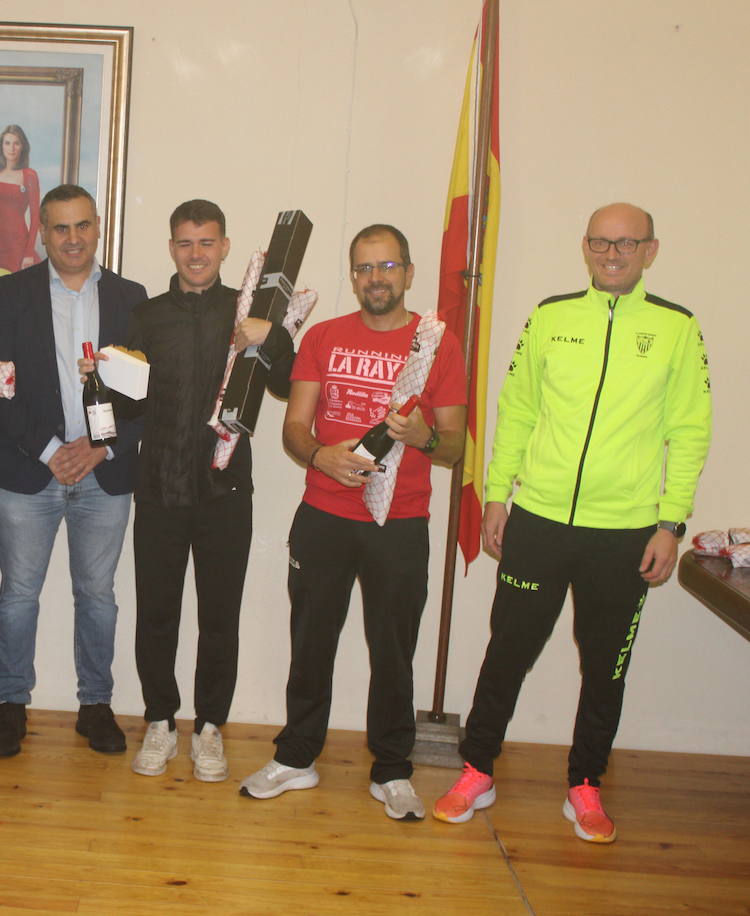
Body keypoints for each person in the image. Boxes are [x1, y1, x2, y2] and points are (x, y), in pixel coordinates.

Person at [434, 203, 712, 843]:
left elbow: (690, 431)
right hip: (540, 520)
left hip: (627, 532)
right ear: (585, 247)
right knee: (507, 651)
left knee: (606, 664)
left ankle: (585, 785)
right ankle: (478, 770)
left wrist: (671, 522)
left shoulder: (676, 328)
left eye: (626, 243)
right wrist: (498, 495)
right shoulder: (552, 317)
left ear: (651, 250)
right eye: (600, 242)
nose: (612, 254)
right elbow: (519, 410)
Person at [239, 224, 466, 820]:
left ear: (409, 273)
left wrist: (424, 436)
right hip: (323, 515)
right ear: (354, 276)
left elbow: (455, 447)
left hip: (400, 520)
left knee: (393, 649)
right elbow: (295, 427)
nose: (376, 278)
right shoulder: (324, 337)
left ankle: (392, 769)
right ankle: (295, 757)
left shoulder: (435, 343)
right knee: (310, 642)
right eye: (364, 268)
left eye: (387, 266)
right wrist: (320, 455)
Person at [123, 200, 296, 781]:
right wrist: (104, 380)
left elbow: (289, 383)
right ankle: (160, 722)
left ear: (224, 247)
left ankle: (211, 728)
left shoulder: (247, 310)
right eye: (184, 243)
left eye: (206, 243)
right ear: (171, 248)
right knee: (157, 616)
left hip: (224, 493)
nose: (195, 254)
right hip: (159, 492)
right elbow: (127, 404)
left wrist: (271, 338)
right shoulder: (146, 316)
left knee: (219, 618)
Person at [0, 184, 147, 758]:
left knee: (98, 595)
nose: (72, 239)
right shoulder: (11, 292)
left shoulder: (131, 297)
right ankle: (10, 706)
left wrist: (101, 448)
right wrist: (51, 449)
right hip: (29, 470)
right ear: (42, 233)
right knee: (19, 594)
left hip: (105, 474)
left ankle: (95, 706)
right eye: (60, 228)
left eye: (82, 226)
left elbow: (145, 395)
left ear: (97, 227)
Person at [0, 125, 41, 271]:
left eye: (17, 143)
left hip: (17, 246)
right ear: (1, 146)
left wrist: (29, 253)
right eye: (7, 143)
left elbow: (35, 218)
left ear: (23, 147)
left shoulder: (29, 175)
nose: (12, 148)